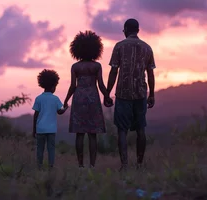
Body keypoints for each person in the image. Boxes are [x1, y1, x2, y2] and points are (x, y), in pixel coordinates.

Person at [105, 18, 156, 171]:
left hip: (122, 94)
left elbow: (114, 71)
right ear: (138, 30)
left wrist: (107, 93)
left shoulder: (119, 46)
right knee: (141, 129)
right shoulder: (147, 48)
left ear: (126, 29)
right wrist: (151, 94)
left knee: (122, 130)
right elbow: (151, 73)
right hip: (140, 93)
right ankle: (140, 165)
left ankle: (124, 165)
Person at [64, 30, 113, 168]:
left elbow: (73, 86)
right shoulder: (96, 66)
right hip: (93, 99)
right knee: (92, 134)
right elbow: (101, 85)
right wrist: (107, 97)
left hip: (79, 99)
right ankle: (92, 165)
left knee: (79, 134)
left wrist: (66, 100)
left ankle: (80, 165)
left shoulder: (75, 67)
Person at [32, 69, 68, 170]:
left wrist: (34, 130)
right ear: (53, 86)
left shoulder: (38, 98)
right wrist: (65, 108)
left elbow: (35, 115)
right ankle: (51, 167)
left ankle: (39, 166)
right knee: (51, 149)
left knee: (40, 149)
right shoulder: (55, 99)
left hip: (40, 129)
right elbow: (59, 112)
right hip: (51, 130)